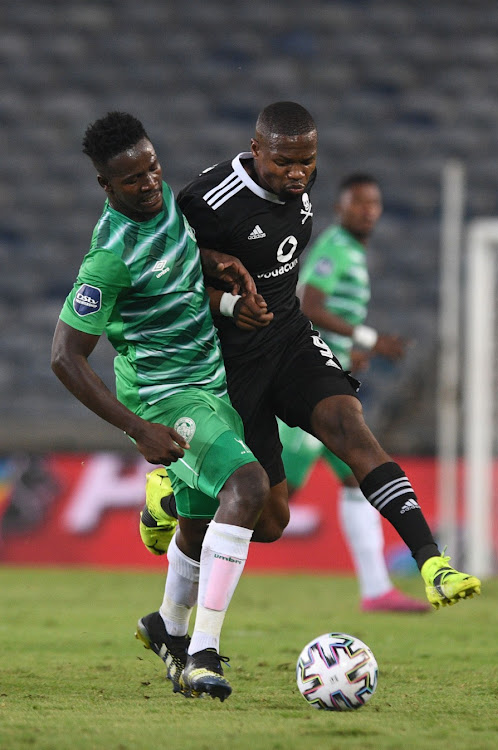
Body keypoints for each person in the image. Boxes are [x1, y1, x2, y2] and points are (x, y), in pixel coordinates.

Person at [141, 101, 481, 615]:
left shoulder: (298, 187)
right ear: (256, 151)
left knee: (351, 427)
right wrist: (225, 296)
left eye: (307, 161)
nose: (297, 173)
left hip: (291, 339)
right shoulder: (209, 201)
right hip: (233, 363)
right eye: (283, 162)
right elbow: (163, 276)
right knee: (272, 521)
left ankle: (433, 562)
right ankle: (170, 494)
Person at [51, 111, 273, 702]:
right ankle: (201, 653)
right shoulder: (108, 256)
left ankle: (166, 627)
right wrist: (136, 428)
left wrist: (222, 292)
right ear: (105, 186)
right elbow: (64, 356)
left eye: (152, 167)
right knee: (248, 490)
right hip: (163, 396)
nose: (149, 183)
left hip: (210, 383)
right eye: (132, 179)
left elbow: (172, 273)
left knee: (199, 525)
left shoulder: (164, 204)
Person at [278, 173, 429, 612]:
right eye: (358, 202)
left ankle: (376, 589)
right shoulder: (334, 248)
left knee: (355, 480)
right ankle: (181, 521)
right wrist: (367, 338)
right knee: (275, 495)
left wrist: (349, 352)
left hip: (332, 382)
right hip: (309, 390)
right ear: (340, 207)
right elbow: (308, 305)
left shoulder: (354, 253)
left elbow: (325, 319)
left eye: (374, 203)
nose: (368, 210)